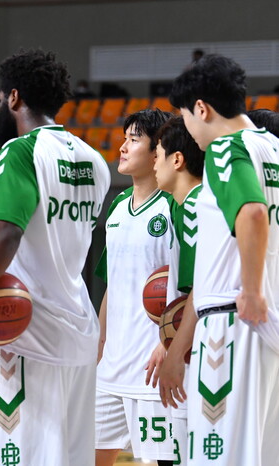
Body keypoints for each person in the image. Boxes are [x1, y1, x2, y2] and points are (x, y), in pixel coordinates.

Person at [0, 49, 111, 465]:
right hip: (79, 329)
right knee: (72, 458)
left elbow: (6, 230)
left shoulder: (21, 152)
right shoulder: (94, 161)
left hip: (28, 331)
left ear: (14, 97)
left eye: (1, 97)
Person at [165, 53, 279, 465]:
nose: (188, 130)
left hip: (234, 325)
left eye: (185, 117)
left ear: (201, 108)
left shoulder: (226, 149)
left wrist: (251, 290)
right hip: (267, 328)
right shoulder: (273, 148)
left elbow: (253, 213)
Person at [95, 109, 177, 466]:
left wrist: (169, 343)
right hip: (110, 368)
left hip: (153, 368)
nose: (123, 147)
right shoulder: (116, 207)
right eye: (124, 138)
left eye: (134, 139)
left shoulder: (175, 206)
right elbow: (112, 286)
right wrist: (99, 346)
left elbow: (188, 286)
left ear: (158, 149)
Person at [147, 115, 205, 466]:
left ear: (177, 160)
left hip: (202, 350)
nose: (154, 164)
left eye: (157, 155)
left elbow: (200, 291)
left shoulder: (196, 208)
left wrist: (174, 351)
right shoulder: (181, 204)